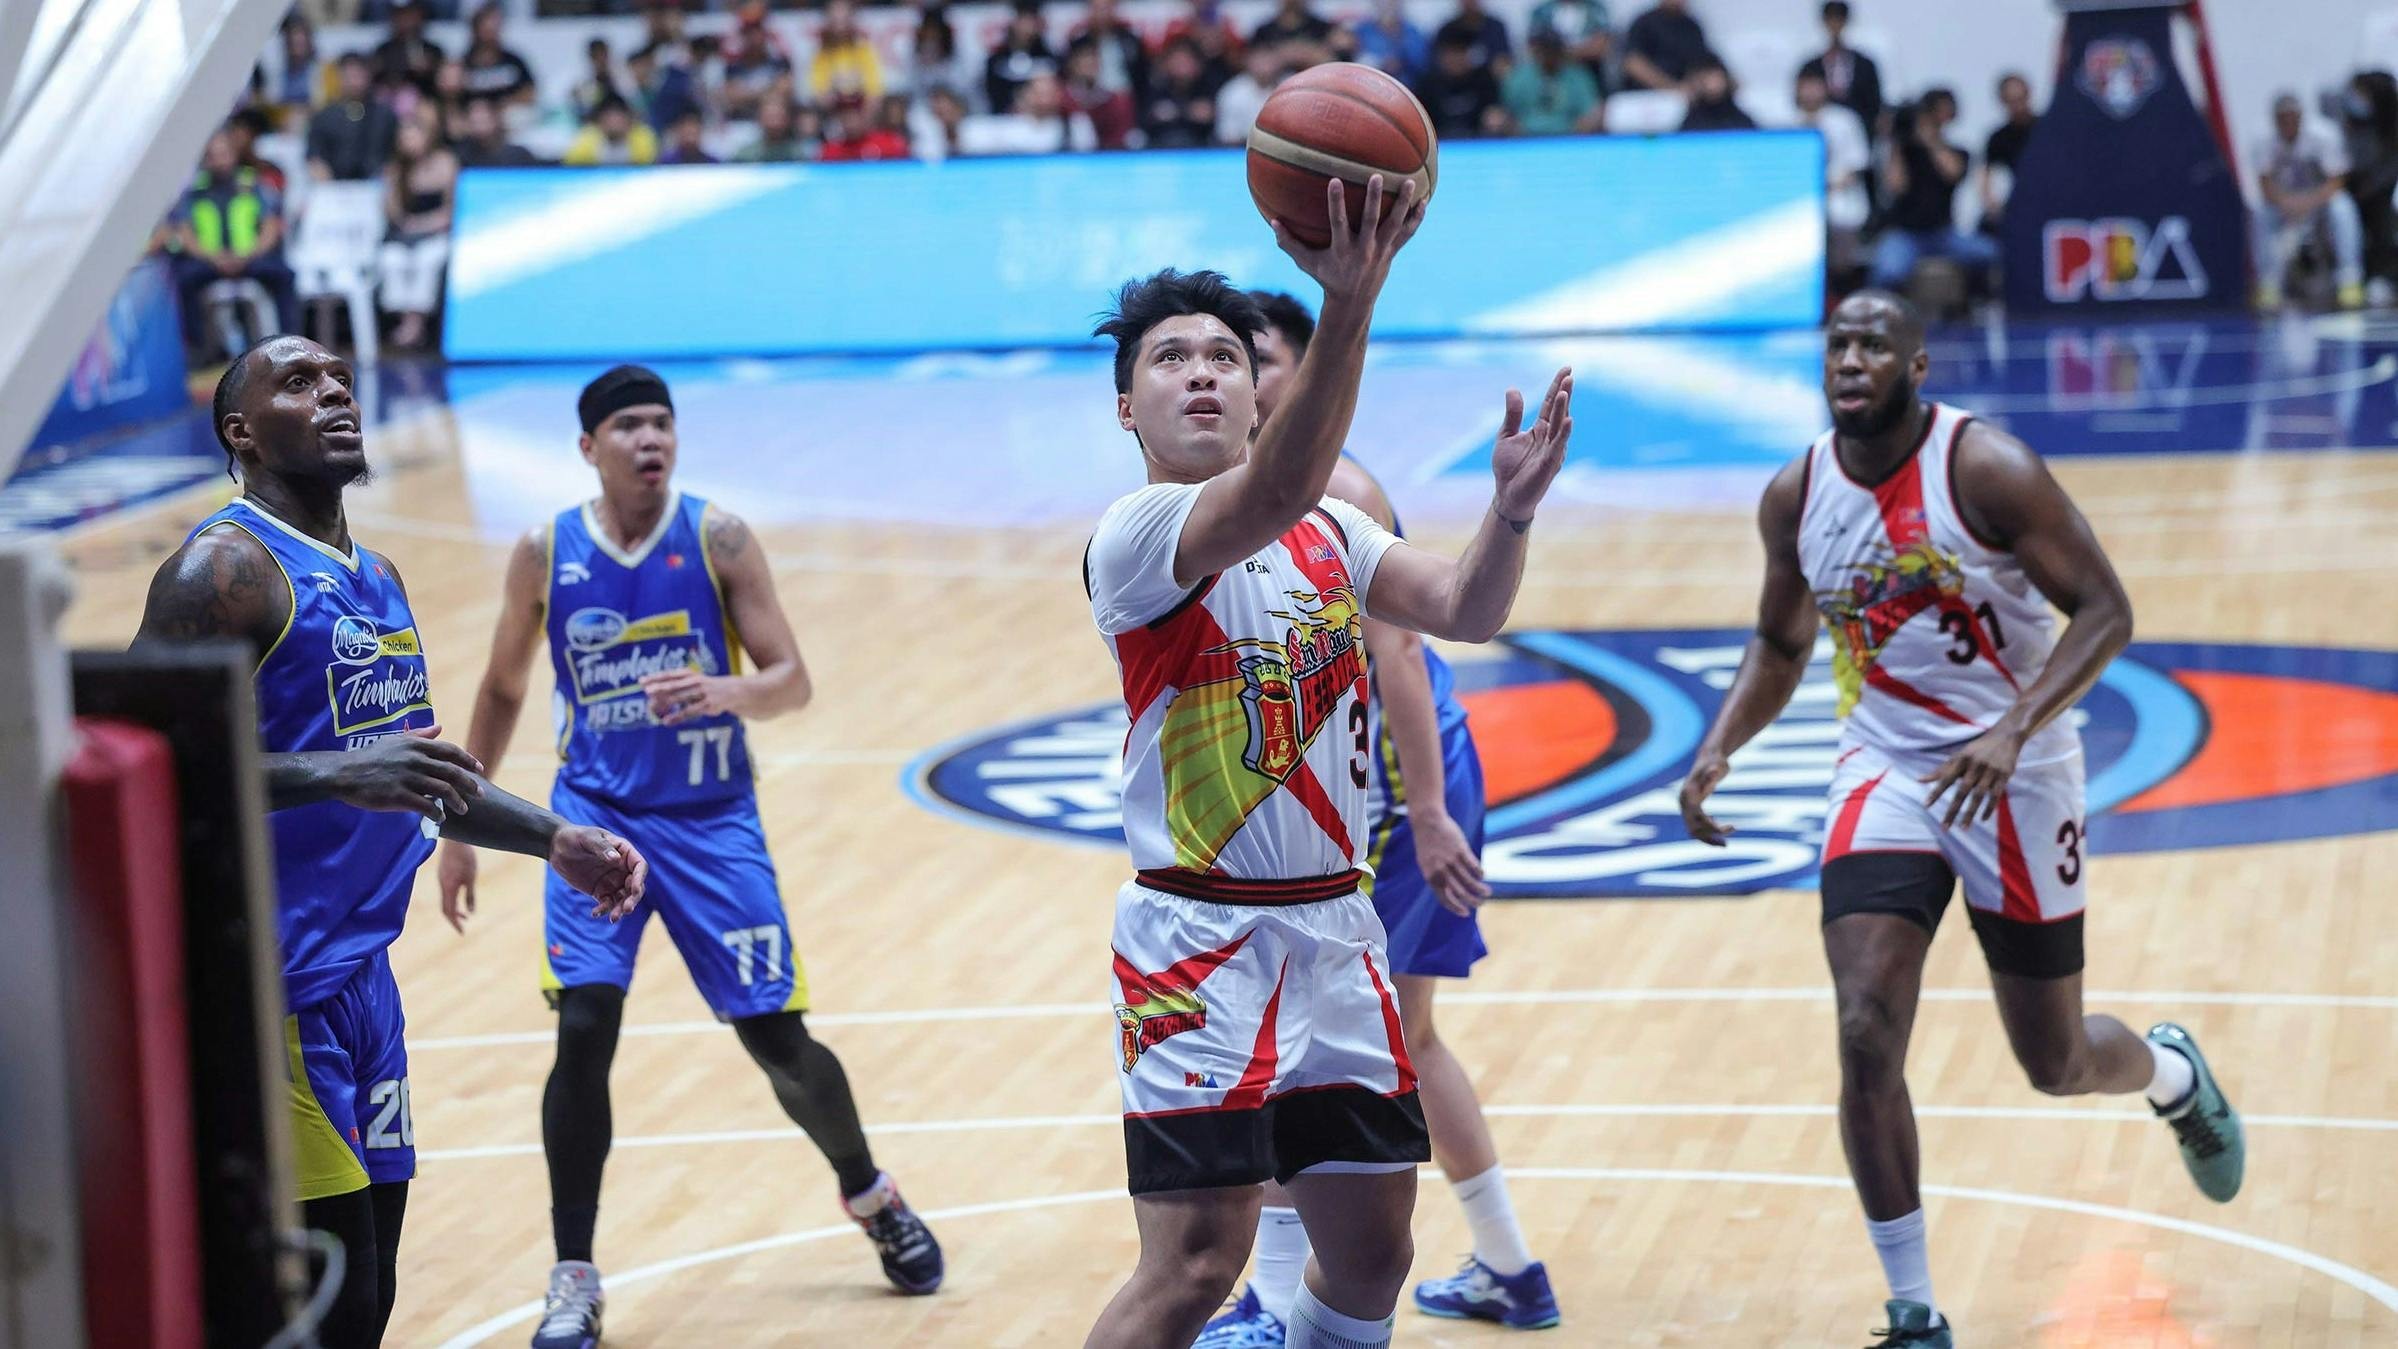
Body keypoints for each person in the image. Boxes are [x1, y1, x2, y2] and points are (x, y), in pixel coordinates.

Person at [1676, 291, 2245, 1348]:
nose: (1851, 360)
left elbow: (2108, 610)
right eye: (1838, 345)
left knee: (2054, 1060)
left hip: (2016, 775)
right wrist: (1720, 744)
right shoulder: (1795, 492)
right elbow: (1781, 642)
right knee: (1864, 1026)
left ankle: (2171, 1073)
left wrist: (2014, 727)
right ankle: (1914, 1309)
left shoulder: (1986, 469)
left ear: (1917, 365)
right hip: (1885, 767)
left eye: (1873, 345)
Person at [1080, 177, 1573, 1349]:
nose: (1203, 372)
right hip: (1200, 940)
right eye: (1169, 359)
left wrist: (1508, 515)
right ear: (1127, 407)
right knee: (1195, 1264)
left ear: (1260, 389)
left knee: (1371, 1252)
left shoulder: (1331, 530)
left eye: (1223, 355)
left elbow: (1464, 609)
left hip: (1336, 927)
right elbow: (1276, 483)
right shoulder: (1140, 535)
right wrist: (1349, 300)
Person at [134, 335, 647, 1348]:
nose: (333, 391)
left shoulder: (378, 575)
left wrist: (555, 838)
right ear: (242, 432)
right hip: (270, 989)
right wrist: (334, 772)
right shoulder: (222, 569)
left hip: (364, 980)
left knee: (373, 1293)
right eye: (298, 383)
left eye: (338, 376)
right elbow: (144, 761)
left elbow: (417, 773)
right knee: (329, 1305)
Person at [435, 365, 944, 1349]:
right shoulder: (545, 551)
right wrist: (464, 826)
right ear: (589, 447)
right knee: (584, 1026)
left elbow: (791, 679)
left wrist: (726, 691)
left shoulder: (719, 537)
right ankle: (573, 1273)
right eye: (629, 425)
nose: (650, 439)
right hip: (596, 821)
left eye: (662, 423)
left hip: (712, 823)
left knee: (777, 1037)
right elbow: (500, 689)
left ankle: (870, 1192)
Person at [1193, 291, 1565, 1349]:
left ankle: (1276, 1300)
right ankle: (1507, 1265)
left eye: (1257, 357)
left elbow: (1401, 647)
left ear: (1308, 369)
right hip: (1356, 780)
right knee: (1375, 1032)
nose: (1238, 376)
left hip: (1394, 784)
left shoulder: (1338, 490)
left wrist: (1429, 813)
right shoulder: (1238, 493)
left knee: (1318, 1032)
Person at [172, 130, 301, 352]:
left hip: (250, 258)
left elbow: (270, 228)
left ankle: (291, 343)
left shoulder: (254, 185)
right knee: (183, 280)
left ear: (234, 154)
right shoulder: (194, 191)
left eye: (224, 154)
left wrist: (247, 255)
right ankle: (199, 351)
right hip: (211, 262)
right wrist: (214, 258)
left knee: (284, 275)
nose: (219, 161)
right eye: (213, 155)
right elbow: (185, 233)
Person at [1869, 90, 1997, 293]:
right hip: (1905, 234)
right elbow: (1895, 186)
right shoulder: (1901, 152)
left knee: (1989, 253)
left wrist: (1931, 140)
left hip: (1943, 233)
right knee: (1888, 271)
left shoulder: (1957, 151)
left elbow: (1953, 173)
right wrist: (1895, 142)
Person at [2254, 92, 2365, 309]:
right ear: (2274, 119)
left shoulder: (2324, 134)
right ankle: (2268, 284)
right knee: (2261, 213)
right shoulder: (2262, 138)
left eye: (2292, 117)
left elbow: (2337, 180)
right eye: (2282, 118)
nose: (2288, 123)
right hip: (2285, 202)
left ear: (2301, 116)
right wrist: (2286, 202)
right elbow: (2264, 183)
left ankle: (2350, 280)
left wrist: (2308, 202)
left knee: (2343, 208)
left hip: (2319, 200)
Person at [379, 113, 457, 351]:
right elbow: (394, 213)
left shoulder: (445, 163)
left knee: (427, 258)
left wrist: (424, 225)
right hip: (405, 235)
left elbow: (452, 210)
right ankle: (404, 318)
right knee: (392, 258)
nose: (409, 141)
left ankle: (416, 323)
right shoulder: (395, 170)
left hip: (437, 232)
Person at [1794, 70, 1871, 272]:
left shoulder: (1845, 119)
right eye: (1805, 86)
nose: (1810, 92)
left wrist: (1824, 187)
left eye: (1815, 86)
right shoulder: (1786, 119)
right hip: (1799, 198)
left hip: (1839, 196)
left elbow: (1856, 165)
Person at [307, 53, 399, 181]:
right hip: (334, 186)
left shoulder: (384, 114)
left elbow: (397, 153)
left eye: (358, 75)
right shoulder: (324, 116)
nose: (354, 82)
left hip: (378, 184)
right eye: (348, 76)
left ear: (368, 76)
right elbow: (315, 155)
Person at [1800, 0, 1883, 133]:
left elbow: (1875, 103)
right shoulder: (1811, 67)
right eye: (1831, 19)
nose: (1835, 25)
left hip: (1861, 129)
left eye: (1839, 19)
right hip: (1822, 130)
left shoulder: (1865, 66)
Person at [1501, 30, 1603, 136]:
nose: (1548, 54)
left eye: (1552, 49)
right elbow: (1506, 112)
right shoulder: (1519, 77)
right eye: (1544, 49)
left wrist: (1582, 126)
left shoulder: (1578, 76)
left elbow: (1591, 112)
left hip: (1569, 138)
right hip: (1525, 139)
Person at [1414, 31, 1505, 141]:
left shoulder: (1484, 80)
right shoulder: (1427, 85)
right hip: (1439, 143)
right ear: (1441, 56)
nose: (1456, 59)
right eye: (1451, 53)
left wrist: (1495, 117)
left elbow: (1494, 109)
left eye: (1460, 52)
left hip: (1478, 142)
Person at [1978, 73, 2036, 238]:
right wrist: (1992, 205)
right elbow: (1984, 175)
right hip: (2021, 202)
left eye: (2020, 99)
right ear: (2002, 101)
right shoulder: (1999, 138)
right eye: (2011, 101)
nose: (2018, 106)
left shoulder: (2047, 129)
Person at [984, 1, 1057, 123]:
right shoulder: (996, 59)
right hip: (1005, 119)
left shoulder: (1047, 57)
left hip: (1042, 120)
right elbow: (992, 92)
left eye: (1032, 21)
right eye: (1023, 20)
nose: (1027, 27)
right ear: (1013, 22)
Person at [1068, 0, 1152, 104]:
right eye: (1097, 9)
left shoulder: (1130, 40)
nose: (1102, 14)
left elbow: (1143, 76)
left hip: (1128, 100)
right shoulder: (1079, 44)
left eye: (1106, 8)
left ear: (1114, 10)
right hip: (1090, 102)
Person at [1142, 39, 1219, 150]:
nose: (1181, 66)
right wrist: (1189, 112)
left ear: (1198, 64)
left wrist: (1175, 112)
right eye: (1176, 60)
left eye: (1186, 61)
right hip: (1160, 149)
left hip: (1202, 149)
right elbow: (1148, 120)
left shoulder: (1209, 87)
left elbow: (1209, 117)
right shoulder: (1156, 88)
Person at [1621, 0, 1712, 93]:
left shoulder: (1692, 27)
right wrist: (1671, 87)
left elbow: (1702, 64)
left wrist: (1691, 87)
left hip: (1685, 95)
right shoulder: (1644, 23)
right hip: (1645, 95)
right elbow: (1632, 63)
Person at [809, 0, 885, 110]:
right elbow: (818, 92)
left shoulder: (863, 48)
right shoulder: (822, 51)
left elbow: (875, 91)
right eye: (835, 20)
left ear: (851, 19)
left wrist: (864, 109)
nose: (840, 25)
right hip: (833, 112)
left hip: (860, 111)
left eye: (843, 19)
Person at [459, 2, 535, 109]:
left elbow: (530, 92)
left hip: (507, 113)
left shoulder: (513, 61)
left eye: (495, 28)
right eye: (487, 29)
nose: (492, 33)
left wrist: (507, 103)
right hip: (472, 113)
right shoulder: (463, 63)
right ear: (475, 29)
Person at [1348, 0, 1430, 88]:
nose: (1387, 3)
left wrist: (1402, 63)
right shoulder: (1362, 31)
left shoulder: (1413, 31)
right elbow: (1354, 61)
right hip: (1368, 87)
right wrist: (1381, 64)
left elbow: (1423, 65)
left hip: (1408, 88)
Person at [563, 96, 659, 167]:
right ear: (600, 121)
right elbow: (571, 163)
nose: (614, 122)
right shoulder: (588, 137)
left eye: (618, 117)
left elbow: (649, 162)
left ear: (629, 119)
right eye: (609, 117)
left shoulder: (642, 136)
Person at [454, 96, 539, 168]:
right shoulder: (459, 157)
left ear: (496, 119)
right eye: (475, 122)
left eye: (484, 121)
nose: (480, 128)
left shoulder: (519, 155)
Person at [1431, 0, 1511, 74]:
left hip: (1488, 80)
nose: (1469, 2)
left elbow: (1504, 59)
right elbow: (1436, 62)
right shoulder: (1447, 30)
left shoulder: (1496, 28)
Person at [1678, 55, 1752, 131]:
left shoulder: (1741, 120)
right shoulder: (1692, 122)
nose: (1711, 85)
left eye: (1715, 78)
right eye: (1706, 78)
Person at [739, 96, 816, 162]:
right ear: (760, 118)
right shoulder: (746, 155)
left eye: (778, 116)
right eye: (769, 117)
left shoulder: (798, 154)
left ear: (787, 119)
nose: (773, 123)